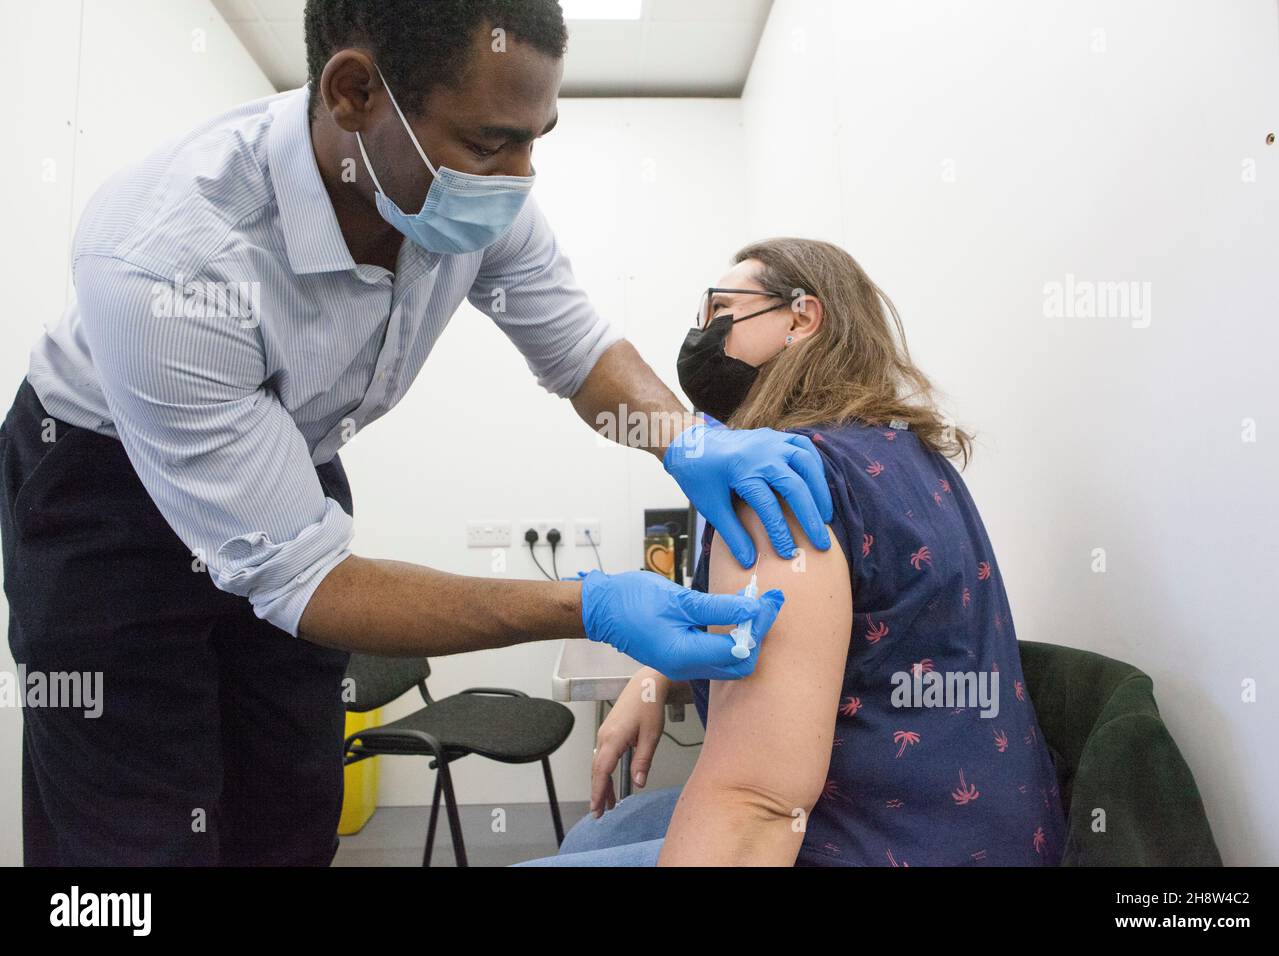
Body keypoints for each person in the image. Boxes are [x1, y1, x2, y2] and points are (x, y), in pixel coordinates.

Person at [0, 1, 828, 866]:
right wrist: (585, 604)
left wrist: (690, 441)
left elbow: (577, 348)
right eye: (488, 144)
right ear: (356, 92)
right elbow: (305, 578)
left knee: (291, 801)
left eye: (536, 138)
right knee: (135, 834)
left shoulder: (465, 198)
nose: (518, 177)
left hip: (288, 457)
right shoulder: (166, 252)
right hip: (104, 489)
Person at [519, 238, 1067, 866]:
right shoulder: (910, 456)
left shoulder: (780, 483)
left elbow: (757, 806)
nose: (701, 334)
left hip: (873, 841)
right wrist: (655, 675)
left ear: (802, 318)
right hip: (988, 827)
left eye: (721, 308)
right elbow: (834, 627)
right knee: (600, 835)